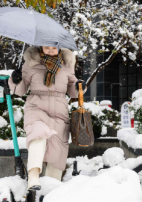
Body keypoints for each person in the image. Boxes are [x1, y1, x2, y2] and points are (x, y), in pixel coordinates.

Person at [8, 46, 87, 191]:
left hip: (59, 112)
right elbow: (20, 91)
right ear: (40, 47)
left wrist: (79, 86)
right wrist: (15, 80)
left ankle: (49, 195)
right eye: (46, 47)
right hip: (36, 107)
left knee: (57, 153)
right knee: (38, 134)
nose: (50, 50)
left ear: (59, 48)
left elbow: (72, 90)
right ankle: (33, 176)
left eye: (53, 48)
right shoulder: (30, 63)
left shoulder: (67, 64)